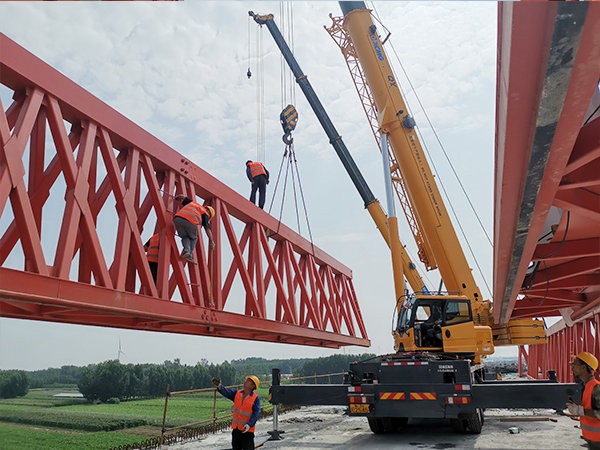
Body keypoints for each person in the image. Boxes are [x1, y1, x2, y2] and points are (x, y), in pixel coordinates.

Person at [212, 375, 261, 450]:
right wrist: (219, 386)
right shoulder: (237, 394)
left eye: (248, 382)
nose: (245, 382)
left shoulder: (255, 399)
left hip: (247, 432)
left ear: (252, 386)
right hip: (236, 430)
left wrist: (249, 425)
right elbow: (227, 392)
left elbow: (256, 413)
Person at [567, 351, 600, 448]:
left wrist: (580, 411)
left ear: (584, 367)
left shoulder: (596, 388)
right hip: (592, 439)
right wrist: (579, 415)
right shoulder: (586, 386)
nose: (572, 367)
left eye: (574, 364)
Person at [173, 195, 215, 263]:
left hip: (177, 219)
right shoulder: (205, 214)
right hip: (189, 222)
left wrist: (177, 197)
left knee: (185, 236)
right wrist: (211, 241)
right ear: (209, 213)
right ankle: (189, 255)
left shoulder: (193, 203)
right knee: (193, 238)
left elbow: (182, 197)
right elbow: (207, 229)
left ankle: (186, 250)